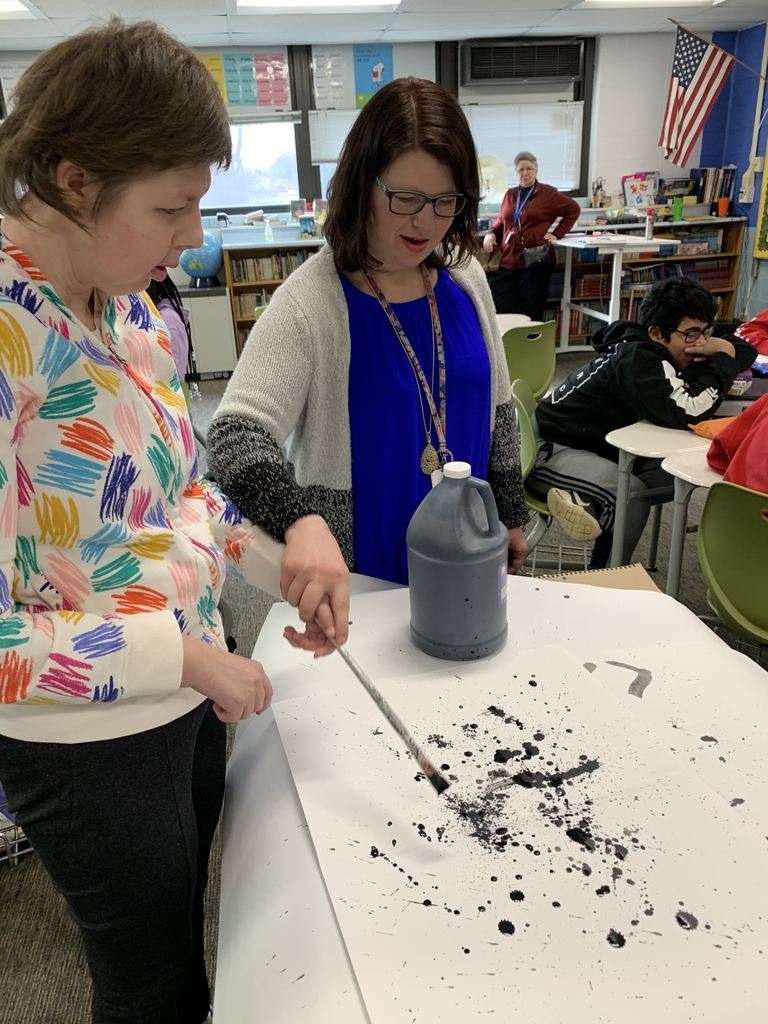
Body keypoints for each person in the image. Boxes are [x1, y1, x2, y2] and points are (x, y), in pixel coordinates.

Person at [0, 20, 336, 1024]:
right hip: (84, 734)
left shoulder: (131, 306)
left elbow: (181, 490)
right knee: (149, 981)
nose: (192, 235)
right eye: (172, 207)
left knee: (190, 926)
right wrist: (183, 658)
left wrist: (282, 559)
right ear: (73, 181)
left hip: (187, 685)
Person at [207, 77, 529, 590]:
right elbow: (234, 438)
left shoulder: (466, 277)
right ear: (363, 185)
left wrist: (508, 512)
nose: (425, 222)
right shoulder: (311, 302)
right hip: (364, 582)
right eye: (406, 198)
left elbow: (498, 410)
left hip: (469, 560)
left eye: (445, 200)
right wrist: (299, 520)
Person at [528, 277, 756, 567]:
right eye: (691, 334)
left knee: (679, 472)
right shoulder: (637, 359)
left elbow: (744, 349)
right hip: (547, 449)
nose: (701, 343)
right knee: (631, 495)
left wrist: (722, 347)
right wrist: (723, 358)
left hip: (593, 446)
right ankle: (607, 579)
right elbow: (690, 411)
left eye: (706, 332)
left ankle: (592, 502)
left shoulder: (658, 346)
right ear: (656, 333)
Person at [482, 151, 580, 320]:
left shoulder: (548, 193)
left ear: (536, 171)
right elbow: (501, 221)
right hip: (508, 263)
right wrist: (491, 232)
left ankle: (531, 338)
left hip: (535, 264)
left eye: (529, 169)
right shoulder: (510, 195)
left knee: (531, 312)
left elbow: (573, 209)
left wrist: (557, 234)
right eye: (521, 170)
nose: (525, 173)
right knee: (503, 307)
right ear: (516, 173)